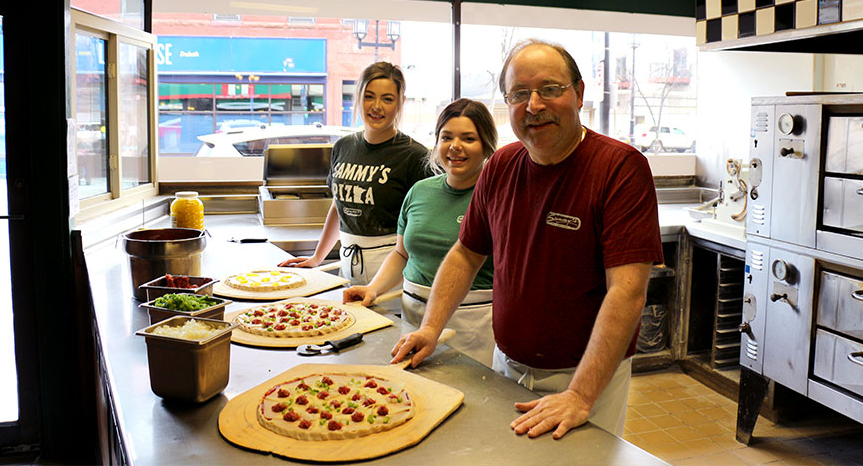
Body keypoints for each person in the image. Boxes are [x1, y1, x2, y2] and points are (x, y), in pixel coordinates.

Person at [391, 39, 662, 439]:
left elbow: (626, 292)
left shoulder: (619, 168)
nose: (534, 105)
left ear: (579, 93)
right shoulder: (501, 165)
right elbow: (466, 254)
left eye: (550, 89)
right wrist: (430, 328)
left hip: (584, 380)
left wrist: (580, 395)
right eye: (519, 94)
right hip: (506, 366)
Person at [343, 98, 498, 366]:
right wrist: (373, 288)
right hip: (412, 314)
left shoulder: (497, 196)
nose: (455, 146)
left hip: (472, 322)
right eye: (446, 137)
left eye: (468, 138)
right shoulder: (420, 191)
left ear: (486, 146)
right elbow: (401, 254)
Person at [278, 61, 431, 286]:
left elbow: (423, 226)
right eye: (369, 96)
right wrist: (317, 257)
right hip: (349, 266)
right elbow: (338, 207)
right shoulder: (343, 147)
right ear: (358, 98)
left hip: (394, 274)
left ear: (400, 103)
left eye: (387, 99)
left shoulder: (414, 155)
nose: (376, 106)